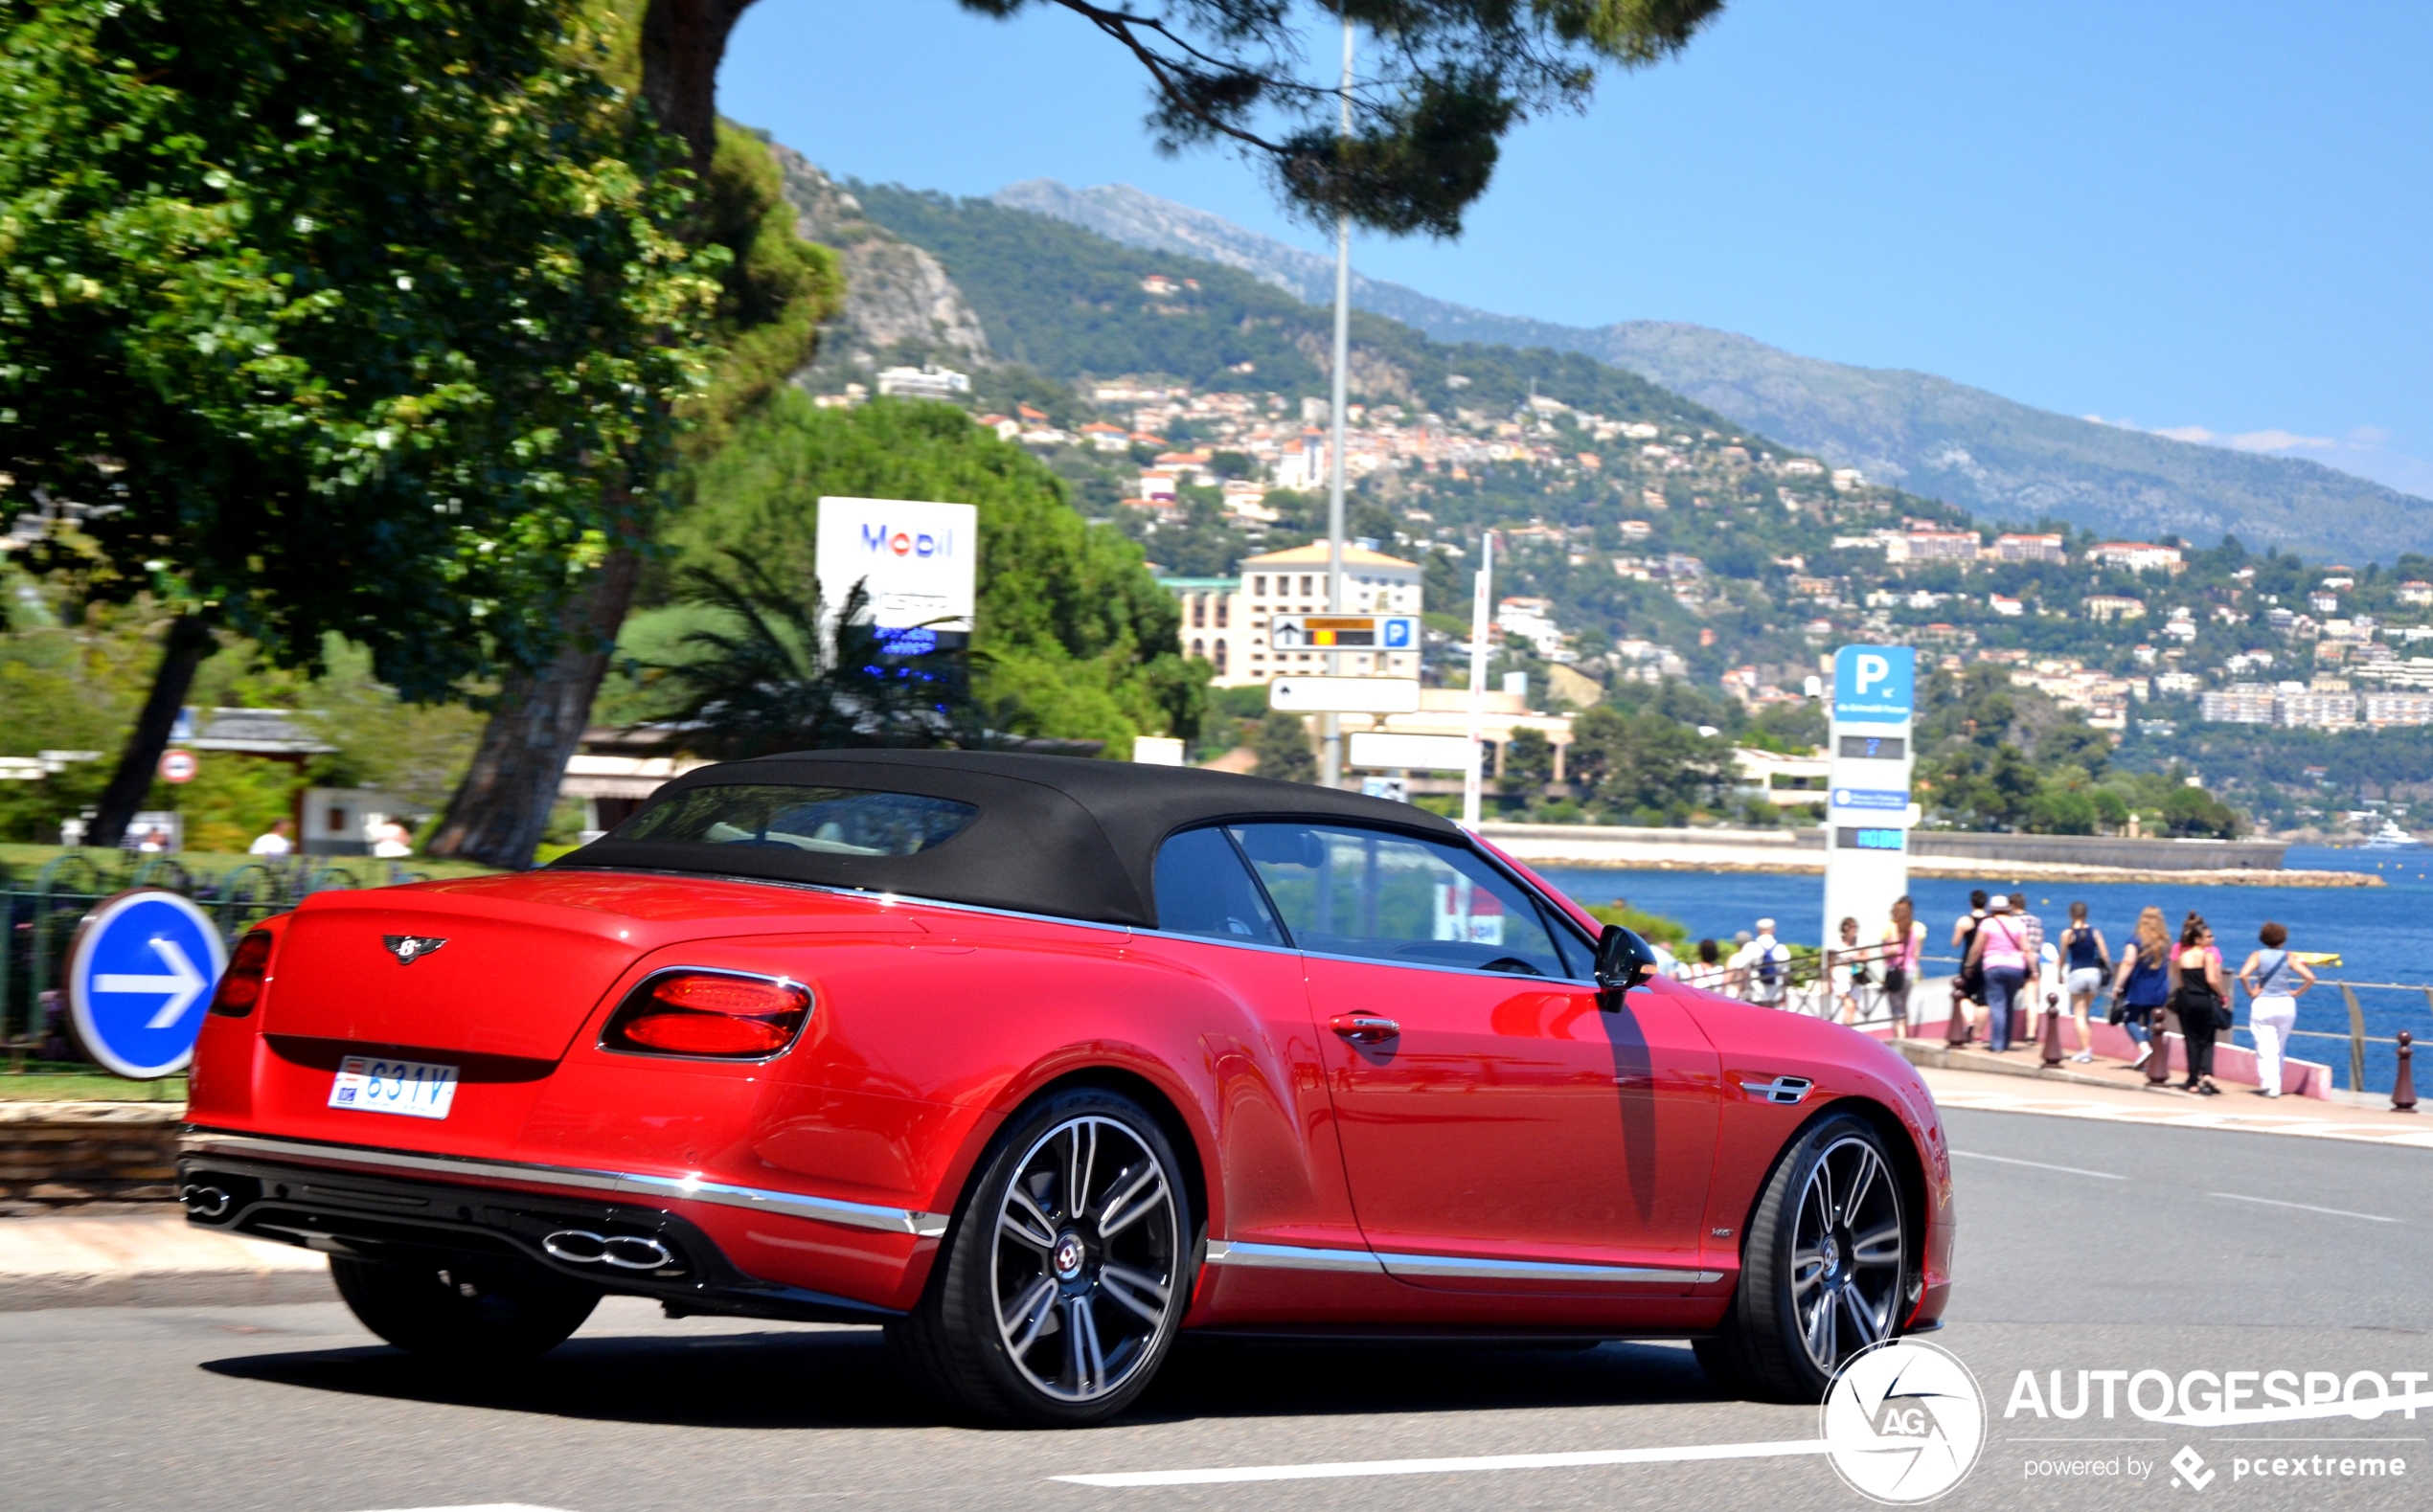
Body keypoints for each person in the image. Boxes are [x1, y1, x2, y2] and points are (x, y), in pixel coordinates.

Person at [2237, 922, 2314, 1098]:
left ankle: (2269, 1085)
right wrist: (2296, 993)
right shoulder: (2289, 957)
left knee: (2264, 1047)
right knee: (2279, 1046)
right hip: (2286, 1003)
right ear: (2283, 939)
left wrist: (2251, 992)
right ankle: (2276, 1084)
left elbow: (2243, 975)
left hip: (2263, 1003)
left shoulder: (2258, 955)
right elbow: (2310, 977)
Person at [2168, 914, 2228, 1095]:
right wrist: (2222, 993)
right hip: (2203, 998)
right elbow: (2211, 979)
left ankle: (2192, 1080)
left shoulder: (2182, 956)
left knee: (2190, 1039)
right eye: (2206, 937)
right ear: (2198, 939)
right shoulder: (2207, 955)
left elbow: (2180, 981)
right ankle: (2205, 1072)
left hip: (2186, 998)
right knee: (2206, 1038)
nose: (2210, 940)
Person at [1966, 894, 2033, 1052]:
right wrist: (2034, 969)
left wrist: (1969, 965)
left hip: (1994, 966)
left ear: (1992, 909)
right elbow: (2027, 948)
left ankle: (1997, 1044)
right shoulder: (2018, 923)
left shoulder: (1987, 923)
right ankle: (2006, 1041)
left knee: (1997, 1005)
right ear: (2007, 908)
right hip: (2016, 967)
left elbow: (1976, 948)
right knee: (2009, 1005)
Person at [2112, 906, 2172, 1070]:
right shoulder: (2165, 942)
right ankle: (2152, 1058)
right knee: (2151, 1022)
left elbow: (2128, 962)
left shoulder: (2136, 940)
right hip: (2159, 988)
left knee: (2130, 1019)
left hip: (2139, 988)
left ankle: (2144, 1049)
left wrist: (2117, 986)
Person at [2058, 902, 2110, 1064]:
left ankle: (2085, 1051)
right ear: (2086, 914)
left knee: (2079, 1014)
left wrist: (2060, 974)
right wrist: (2108, 972)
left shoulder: (2068, 933)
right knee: (2086, 1013)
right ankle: (2085, 1048)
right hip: (2093, 973)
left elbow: (2063, 956)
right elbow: (2105, 955)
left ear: (2070, 914)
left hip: (2077, 972)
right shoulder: (2095, 932)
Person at [1881, 895, 1926, 1034]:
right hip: (1911, 970)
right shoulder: (1919, 927)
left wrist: (1885, 954)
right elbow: (1917, 954)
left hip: (1895, 970)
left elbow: (1894, 949)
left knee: (1896, 1007)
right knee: (1903, 1005)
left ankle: (1900, 1038)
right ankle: (1905, 1034)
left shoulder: (1892, 926)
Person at [1950, 890, 1990, 1040]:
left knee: (1963, 994)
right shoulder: (1990, 921)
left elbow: (1955, 943)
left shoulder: (1964, 921)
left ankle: (1970, 1021)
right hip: (1986, 961)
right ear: (1985, 903)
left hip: (1968, 961)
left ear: (1971, 903)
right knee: (1983, 999)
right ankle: (1978, 1034)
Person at [1734, 919, 1790, 1007]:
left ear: (1758, 930)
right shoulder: (1782, 949)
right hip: (1775, 996)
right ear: (1773, 930)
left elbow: (1741, 968)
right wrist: (1784, 996)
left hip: (1755, 996)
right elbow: (1785, 975)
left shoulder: (1751, 947)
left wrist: (1740, 989)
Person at [1828, 916, 1867, 1025]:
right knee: (1849, 1005)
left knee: (1852, 1007)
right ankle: (1846, 1033)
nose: (1854, 929)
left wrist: (1854, 958)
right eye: (1851, 926)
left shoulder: (1860, 941)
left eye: (1855, 926)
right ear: (1845, 928)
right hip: (1840, 976)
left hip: (1855, 976)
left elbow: (1866, 956)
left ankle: (1846, 1031)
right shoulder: (1836, 943)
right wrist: (1829, 980)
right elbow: (1830, 962)